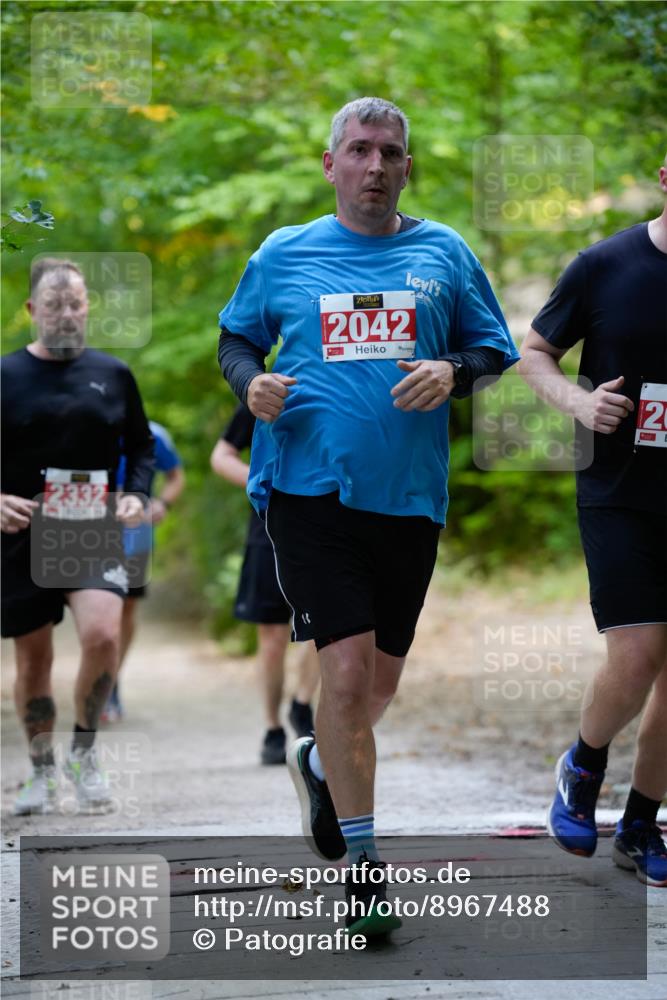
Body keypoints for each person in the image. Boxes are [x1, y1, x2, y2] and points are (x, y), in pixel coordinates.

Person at [218, 97, 519, 935]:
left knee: (375, 688)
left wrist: (452, 372)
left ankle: (319, 760)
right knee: (344, 678)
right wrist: (252, 384)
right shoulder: (285, 253)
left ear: (406, 167)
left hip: (409, 499)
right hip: (306, 492)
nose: (375, 166)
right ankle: (364, 869)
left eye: (390, 153)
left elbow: (493, 348)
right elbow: (235, 340)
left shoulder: (444, 252)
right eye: (359, 150)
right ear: (330, 163)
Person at [519, 155, 667, 887]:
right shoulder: (605, 265)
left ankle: (641, 824)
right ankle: (583, 765)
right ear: (666, 176)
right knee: (638, 654)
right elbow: (533, 352)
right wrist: (577, 403)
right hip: (619, 492)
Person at [1, 258, 154, 815]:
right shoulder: (5, 376)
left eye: (74, 304)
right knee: (33, 662)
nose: (65, 314)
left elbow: (140, 447)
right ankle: (41, 771)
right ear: (31, 310)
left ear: (88, 307)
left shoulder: (113, 374)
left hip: (89, 526)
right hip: (21, 534)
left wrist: (136, 492)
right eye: (53, 305)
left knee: (103, 636)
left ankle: (83, 754)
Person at [210, 403, 319, 764]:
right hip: (268, 530)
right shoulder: (266, 392)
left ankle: (302, 705)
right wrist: (258, 478)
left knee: (329, 627)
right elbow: (221, 456)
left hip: (326, 528)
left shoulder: (343, 384)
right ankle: (272, 728)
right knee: (272, 636)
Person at [102, 420, 185, 723]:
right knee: (98, 608)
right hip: (88, 530)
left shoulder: (154, 434)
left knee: (125, 608)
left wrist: (162, 503)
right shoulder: (88, 423)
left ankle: (110, 682)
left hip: (135, 534)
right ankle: (98, 678)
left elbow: (175, 476)